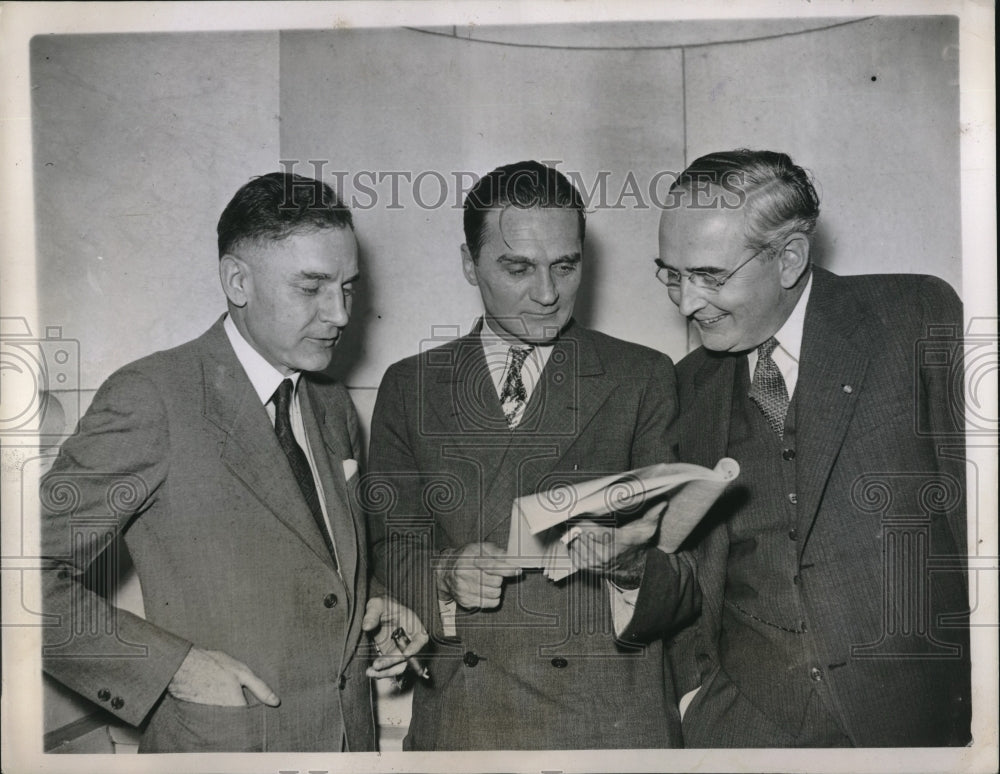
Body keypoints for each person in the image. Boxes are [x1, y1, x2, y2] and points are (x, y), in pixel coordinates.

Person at [40, 172, 426, 753]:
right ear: (238, 281)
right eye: (312, 287)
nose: (341, 314)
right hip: (224, 746)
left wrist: (374, 602)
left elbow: (310, 561)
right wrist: (172, 667)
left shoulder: (331, 403)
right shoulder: (154, 395)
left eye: (348, 287)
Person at [619, 149, 971, 746]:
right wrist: (693, 696)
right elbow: (685, 576)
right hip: (743, 728)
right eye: (672, 274)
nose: (685, 302)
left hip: (916, 721)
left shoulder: (914, 315)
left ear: (789, 258)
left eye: (709, 276)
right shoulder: (684, 387)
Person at [365, 160, 688, 750]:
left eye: (565, 266)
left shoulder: (642, 377)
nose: (547, 294)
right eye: (518, 267)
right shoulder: (410, 386)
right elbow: (389, 544)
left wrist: (624, 563)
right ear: (470, 264)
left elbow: (685, 574)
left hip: (606, 726)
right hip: (466, 724)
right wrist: (443, 573)